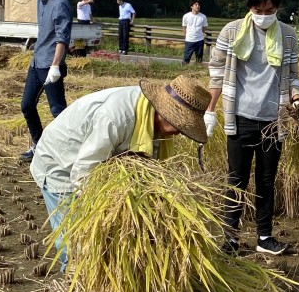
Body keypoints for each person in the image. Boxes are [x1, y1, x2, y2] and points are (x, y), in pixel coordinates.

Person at [29, 75, 211, 269]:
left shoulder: (152, 121)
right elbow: (84, 171)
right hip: (61, 164)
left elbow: (153, 167)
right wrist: (108, 207)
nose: (179, 133)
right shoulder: (117, 119)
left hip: (91, 161)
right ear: (164, 112)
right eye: (180, 126)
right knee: (77, 242)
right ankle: (74, 286)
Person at [205, 0, 299, 256]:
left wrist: (297, 100)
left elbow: (294, 75)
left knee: (266, 180)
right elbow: (216, 70)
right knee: (236, 179)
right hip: (241, 116)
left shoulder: (288, 35)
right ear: (249, 8)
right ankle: (231, 238)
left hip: (274, 119)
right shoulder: (233, 31)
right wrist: (211, 109)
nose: (262, 15)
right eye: (257, 10)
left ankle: (264, 237)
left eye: (268, 10)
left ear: (277, 8)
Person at [19, 0, 72, 162]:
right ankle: (38, 145)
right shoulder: (42, 1)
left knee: (58, 111)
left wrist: (56, 66)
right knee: (27, 105)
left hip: (51, 65)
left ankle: (69, 150)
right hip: (36, 63)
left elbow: (62, 38)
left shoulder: (60, 4)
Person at [182, 0, 209, 64]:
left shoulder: (203, 17)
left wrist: (199, 33)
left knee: (199, 59)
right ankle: (183, 70)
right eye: (196, 4)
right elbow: (184, 27)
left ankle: (197, 70)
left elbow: (204, 28)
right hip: (189, 40)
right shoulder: (186, 16)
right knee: (186, 59)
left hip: (199, 40)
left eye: (199, 5)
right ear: (191, 6)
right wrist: (186, 36)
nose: (198, 6)